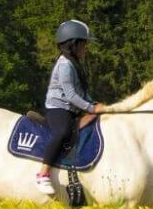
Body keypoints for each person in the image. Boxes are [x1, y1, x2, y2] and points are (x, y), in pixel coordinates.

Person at [35, 20, 104, 195]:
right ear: (72, 44)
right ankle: (43, 173)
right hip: (58, 109)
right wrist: (91, 108)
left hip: (71, 108)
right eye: (83, 44)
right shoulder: (65, 65)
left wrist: (94, 104)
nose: (85, 48)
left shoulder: (74, 63)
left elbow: (82, 92)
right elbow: (72, 96)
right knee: (63, 132)